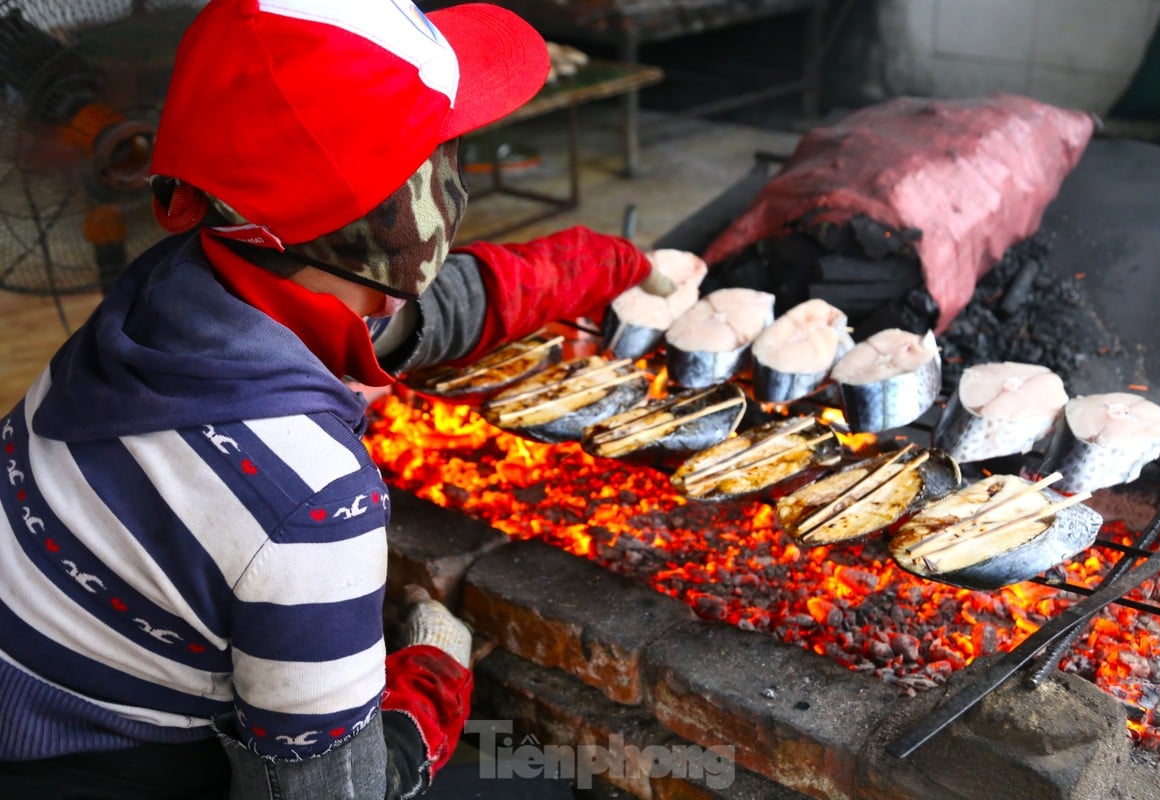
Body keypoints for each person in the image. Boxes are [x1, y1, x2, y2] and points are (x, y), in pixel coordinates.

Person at [0, 1, 687, 797]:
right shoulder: (309, 505)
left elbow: (410, 315)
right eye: (442, 149)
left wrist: (594, 264)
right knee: (528, 779)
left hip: (32, 693)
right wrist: (433, 676)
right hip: (95, 768)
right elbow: (330, 793)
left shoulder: (169, 293)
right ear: (401, 215)